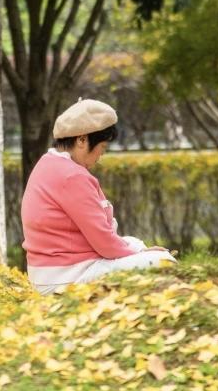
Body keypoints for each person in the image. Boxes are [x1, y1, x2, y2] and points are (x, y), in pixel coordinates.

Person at [20, 98, 174, 293]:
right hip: (67, 276)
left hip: (49, 272)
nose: (100, 157)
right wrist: (139, 253)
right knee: (164, 261)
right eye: (101, 148)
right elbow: (104, 243)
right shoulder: (72, 176)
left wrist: (137, 250)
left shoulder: (48, 162)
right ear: (82, 140)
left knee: (136, 243)